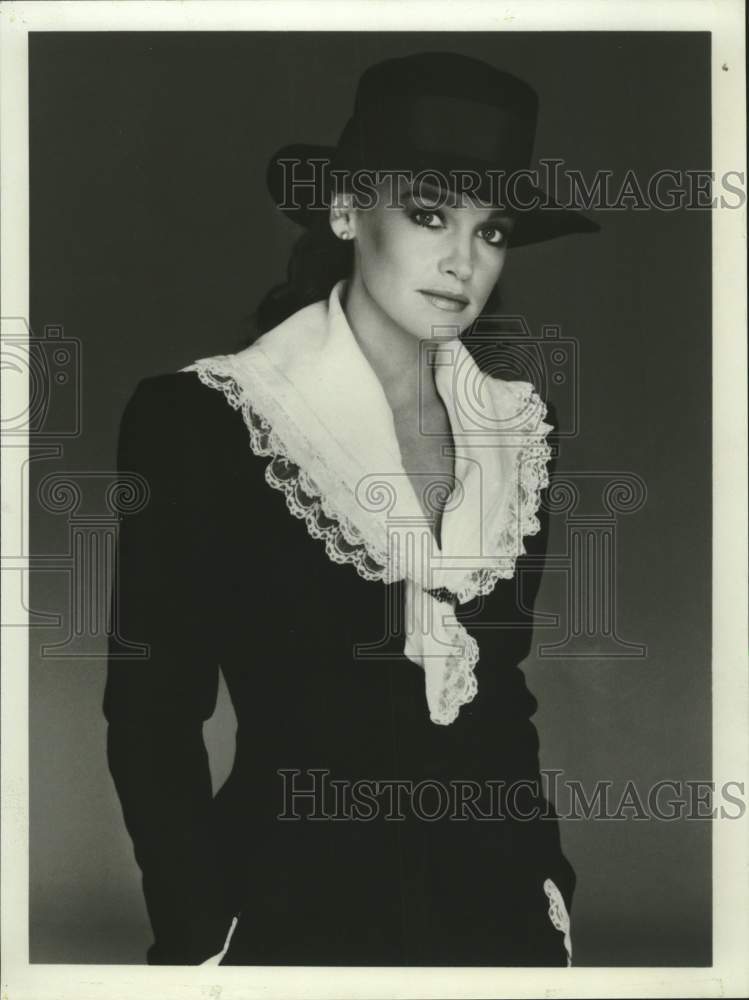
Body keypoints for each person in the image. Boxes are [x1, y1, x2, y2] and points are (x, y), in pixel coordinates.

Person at [104, 51, 599, 967]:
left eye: (491, 230)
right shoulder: (204, 419)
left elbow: (501, 691)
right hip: (286, 910)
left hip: (496, 919)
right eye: (427, 214)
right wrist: (196, 928)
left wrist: (545, 889)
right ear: (343, 210)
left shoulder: (517, 429)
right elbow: (151, 712)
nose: (462, 262)